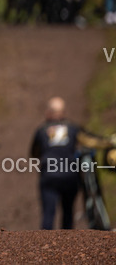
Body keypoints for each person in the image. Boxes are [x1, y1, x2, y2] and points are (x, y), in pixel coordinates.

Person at [29, 96, 115, 229]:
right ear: (63, 112)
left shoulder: (41, 131)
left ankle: (43, 246)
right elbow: (91, 141)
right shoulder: (73, 128)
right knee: (68, 212)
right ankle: (66, 245)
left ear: (48, 112)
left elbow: (34, 153)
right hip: (69, 176)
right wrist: (109, 141)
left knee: (48, 213)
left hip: (49, 177)